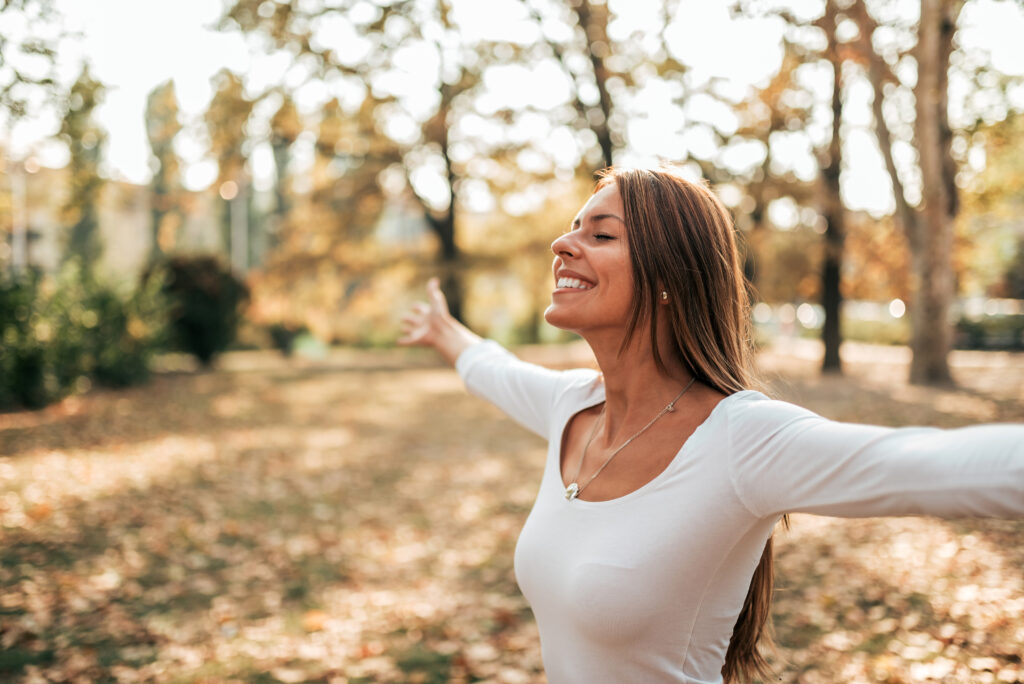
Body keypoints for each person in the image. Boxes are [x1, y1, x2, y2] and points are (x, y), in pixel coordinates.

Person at [398, 165, 1024, 684]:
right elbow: (494, 370)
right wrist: (447, 334)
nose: (564, 245)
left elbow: (928, 464)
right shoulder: (572, 407)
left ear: (670, 275)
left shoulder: (741, 440)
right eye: (571, 230)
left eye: (602, 235)